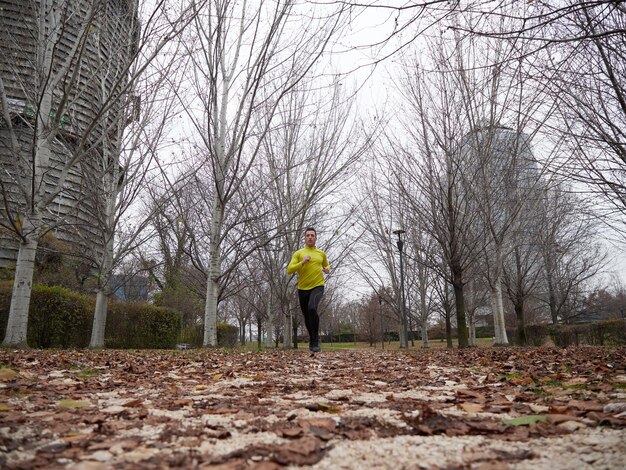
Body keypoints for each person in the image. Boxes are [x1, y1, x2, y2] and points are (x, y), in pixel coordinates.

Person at [287, 227, 331, 353]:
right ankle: (312, 339)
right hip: (302, 288)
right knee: (307, 316)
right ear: (305, 238)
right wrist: (302, 262)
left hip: (318, 285)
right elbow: (289, 270)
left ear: (316, 238)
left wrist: (327, 270)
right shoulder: (299, 253)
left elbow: (326, 266)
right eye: (308, 235)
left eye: (312, 235)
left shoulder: (321, 254)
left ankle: (316, 340)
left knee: (312, 308)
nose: (310, 237)